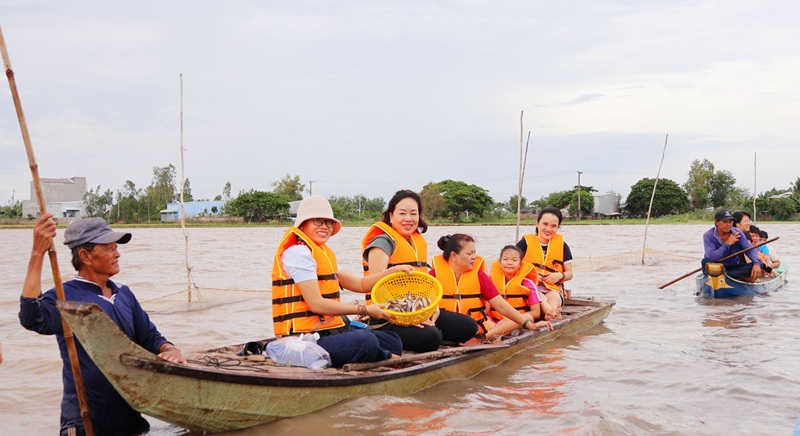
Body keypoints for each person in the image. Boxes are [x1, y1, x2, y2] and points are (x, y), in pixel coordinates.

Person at [19, 214, 186, 435]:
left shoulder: (123, 293)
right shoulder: (66, 296)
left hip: (129, 418)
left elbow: (151, 338)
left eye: (116, 247)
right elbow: (32, 317)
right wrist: (37, 253)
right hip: (85, 420)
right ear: (85, 255)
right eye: (109, 248)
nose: (117, 253)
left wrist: (170, 349)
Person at [272, 195, 406, 367]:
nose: (325, 227)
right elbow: (316, 304)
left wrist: (390, 272)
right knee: (365, 340)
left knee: (392, 340)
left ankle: (379, 353)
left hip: (326, 332)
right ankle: (381, 356)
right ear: (303, 224)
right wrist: (365, 310)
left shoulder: (322, 254)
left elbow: (360, 284)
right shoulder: (298, 254)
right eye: (317, 221)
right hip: (303, 341)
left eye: (328, 223)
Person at [361, 189, 476, 352]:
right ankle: (393, 336)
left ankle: (428, 331)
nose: (408, 219)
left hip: (418, 311)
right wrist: (407, 317)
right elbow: (375, 286)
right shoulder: (382, 243)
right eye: (402, 213)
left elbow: (423, 284)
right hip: (388, 318)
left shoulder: (416, 242)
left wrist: (432, 309)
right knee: (431, 338)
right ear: (391, 215)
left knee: (469, 327)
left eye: (413, 213)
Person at [431, 234, 553, 338]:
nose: (475, 257)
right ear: (454, 256)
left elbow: (502, 306)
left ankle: (485, 336)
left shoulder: (480, 276)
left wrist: (530, 325)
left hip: (473, 328)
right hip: (446, 325)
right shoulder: (434, 274)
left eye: (474, 252)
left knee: (473, 325)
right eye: (469, 253)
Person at [484, 245, 553, 339]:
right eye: (505, 259)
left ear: (520, 264)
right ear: (499, 262)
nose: (509, 263)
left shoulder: (528, 283)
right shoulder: (491, 281)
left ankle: (487, 336)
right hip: (493, 322)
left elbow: (536, 313)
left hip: (516, 321)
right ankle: (497, 332)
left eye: (514, 260)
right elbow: (485, 310)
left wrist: (510, 318)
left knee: (529, 318)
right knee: (481, 318)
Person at [516, 206, 573, 318]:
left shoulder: (562, 245)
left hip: (553, 288)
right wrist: (531, 275)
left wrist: (559, 275)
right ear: (537, 224)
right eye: (545, 224)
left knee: (554, 301)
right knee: (541, 300)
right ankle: (550, 313)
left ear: (558, 227)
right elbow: (509, 266)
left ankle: (552, 313)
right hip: (531, 287)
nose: (548, 229)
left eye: (553, 226)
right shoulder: (525, 243)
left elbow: (570, 273)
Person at [702, 208, 762, 282]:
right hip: (716, 268)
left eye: (731, 221)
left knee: (760, 264)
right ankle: (737, 277)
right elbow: (712, 257)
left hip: (733, 268)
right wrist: (728, 244)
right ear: (716, 222)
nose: (729, 225)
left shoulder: (737, 233)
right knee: (705, 261)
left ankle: (726, 275)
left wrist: (756, 263)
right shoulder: (708, 235)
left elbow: (749, 249)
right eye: (725, 222)